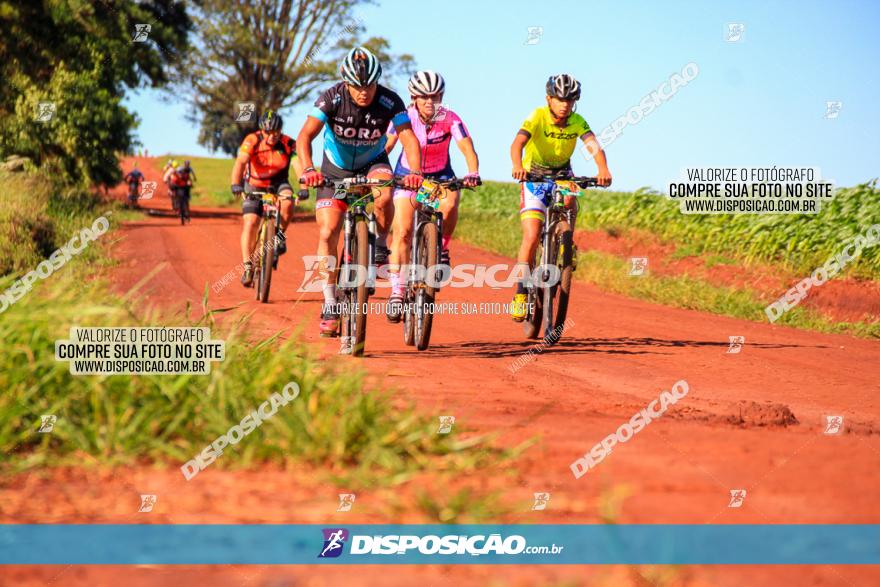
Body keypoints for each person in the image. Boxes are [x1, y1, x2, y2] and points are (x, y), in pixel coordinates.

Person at [297, 47, 423, 336]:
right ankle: (330, 302)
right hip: (335, 170)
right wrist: (308, 169)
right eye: (357, 86)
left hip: (373, 164)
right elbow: (305, 136)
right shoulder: (331, 98)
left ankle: (379, 242)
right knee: (328, 231)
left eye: (369, 85)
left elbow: (408, 138)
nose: (364, 92)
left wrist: (415, 173)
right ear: (346, 81)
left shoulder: (390, 100)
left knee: (386, 192)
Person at [509, 74, 612, 321]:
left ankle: (567, 242)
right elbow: (518, 143)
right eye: (559, 99)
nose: (565, 104)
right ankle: (521, 292)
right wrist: (516, 164)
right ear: (549, 99)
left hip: (563, 175)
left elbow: (593, 146)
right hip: (534, 177)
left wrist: (603, 169)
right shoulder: (537, 116)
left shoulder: (577, 121)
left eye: (570, 100)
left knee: (570, 199)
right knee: (532, 235)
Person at [383, 70, 480, 322]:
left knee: (451, 201)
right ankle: (397, 291)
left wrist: (473, 171)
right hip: (407, 175)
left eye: (435, 96)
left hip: (440, 175)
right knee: (402, 230)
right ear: (413, 98)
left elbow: (467, 147)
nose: (430, 102)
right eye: (424, 96)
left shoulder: (450, 118)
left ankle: (443, 249)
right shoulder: (402, 118)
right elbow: (387, 145)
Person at [231, 109, 303, 286]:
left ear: (281, 130)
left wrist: (303, 187)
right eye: (268, 132)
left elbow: (297, 165)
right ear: (262, 131)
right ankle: (248, 266)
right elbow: (240, 162)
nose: (272, 136)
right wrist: (236, 183)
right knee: (251, 223)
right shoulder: (252, 140)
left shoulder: (287, 143)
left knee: (288, 202)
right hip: (254, 184)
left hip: (279, 183)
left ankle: (278, 236)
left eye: (276, 132)